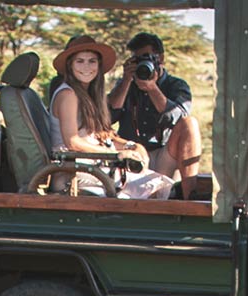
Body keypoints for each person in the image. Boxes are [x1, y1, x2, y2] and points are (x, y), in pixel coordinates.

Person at [48, 33, 153, 195]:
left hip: (93, 168)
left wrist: (131, 146)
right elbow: (72, 142)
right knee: (151, 187)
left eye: (92, 61)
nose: (86, 67)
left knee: (156, 182)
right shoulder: (67, 94)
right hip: (72, 173)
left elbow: (103, 136)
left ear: (99, 65)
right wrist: (115, 154)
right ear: (70, 65)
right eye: (80, 61)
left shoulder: (88, 94)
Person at [108, 32, 202, 199]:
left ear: (161, 58)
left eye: (147, 58)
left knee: (190, 123)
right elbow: (108, 116)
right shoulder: (126, 85)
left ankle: (190, 197)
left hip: (163, 154)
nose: (143, 64)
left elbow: (178, 117)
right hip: (132, 153)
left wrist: (152, 89)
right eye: (138, 60)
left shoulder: (176, 85)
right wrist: (126, 81)